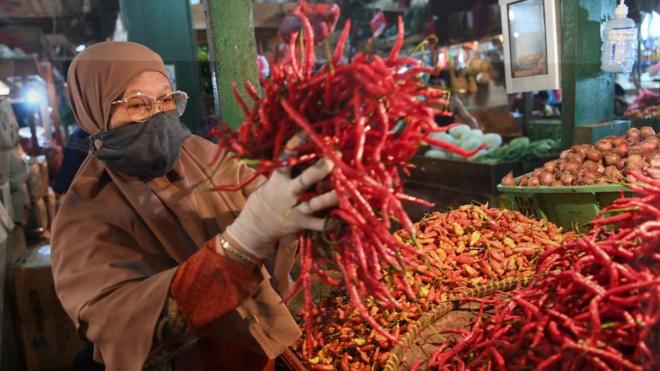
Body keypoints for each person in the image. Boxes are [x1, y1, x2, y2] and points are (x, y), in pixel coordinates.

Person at [51, 41, 338, 371]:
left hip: (264, 356)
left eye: (166, 99)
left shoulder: (203, 156)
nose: (159, 115)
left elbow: (269, 202)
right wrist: (241, 243)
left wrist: (308, 198)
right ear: (96, 111)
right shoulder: (85, 215)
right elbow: (120, 325)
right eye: (138, 104)